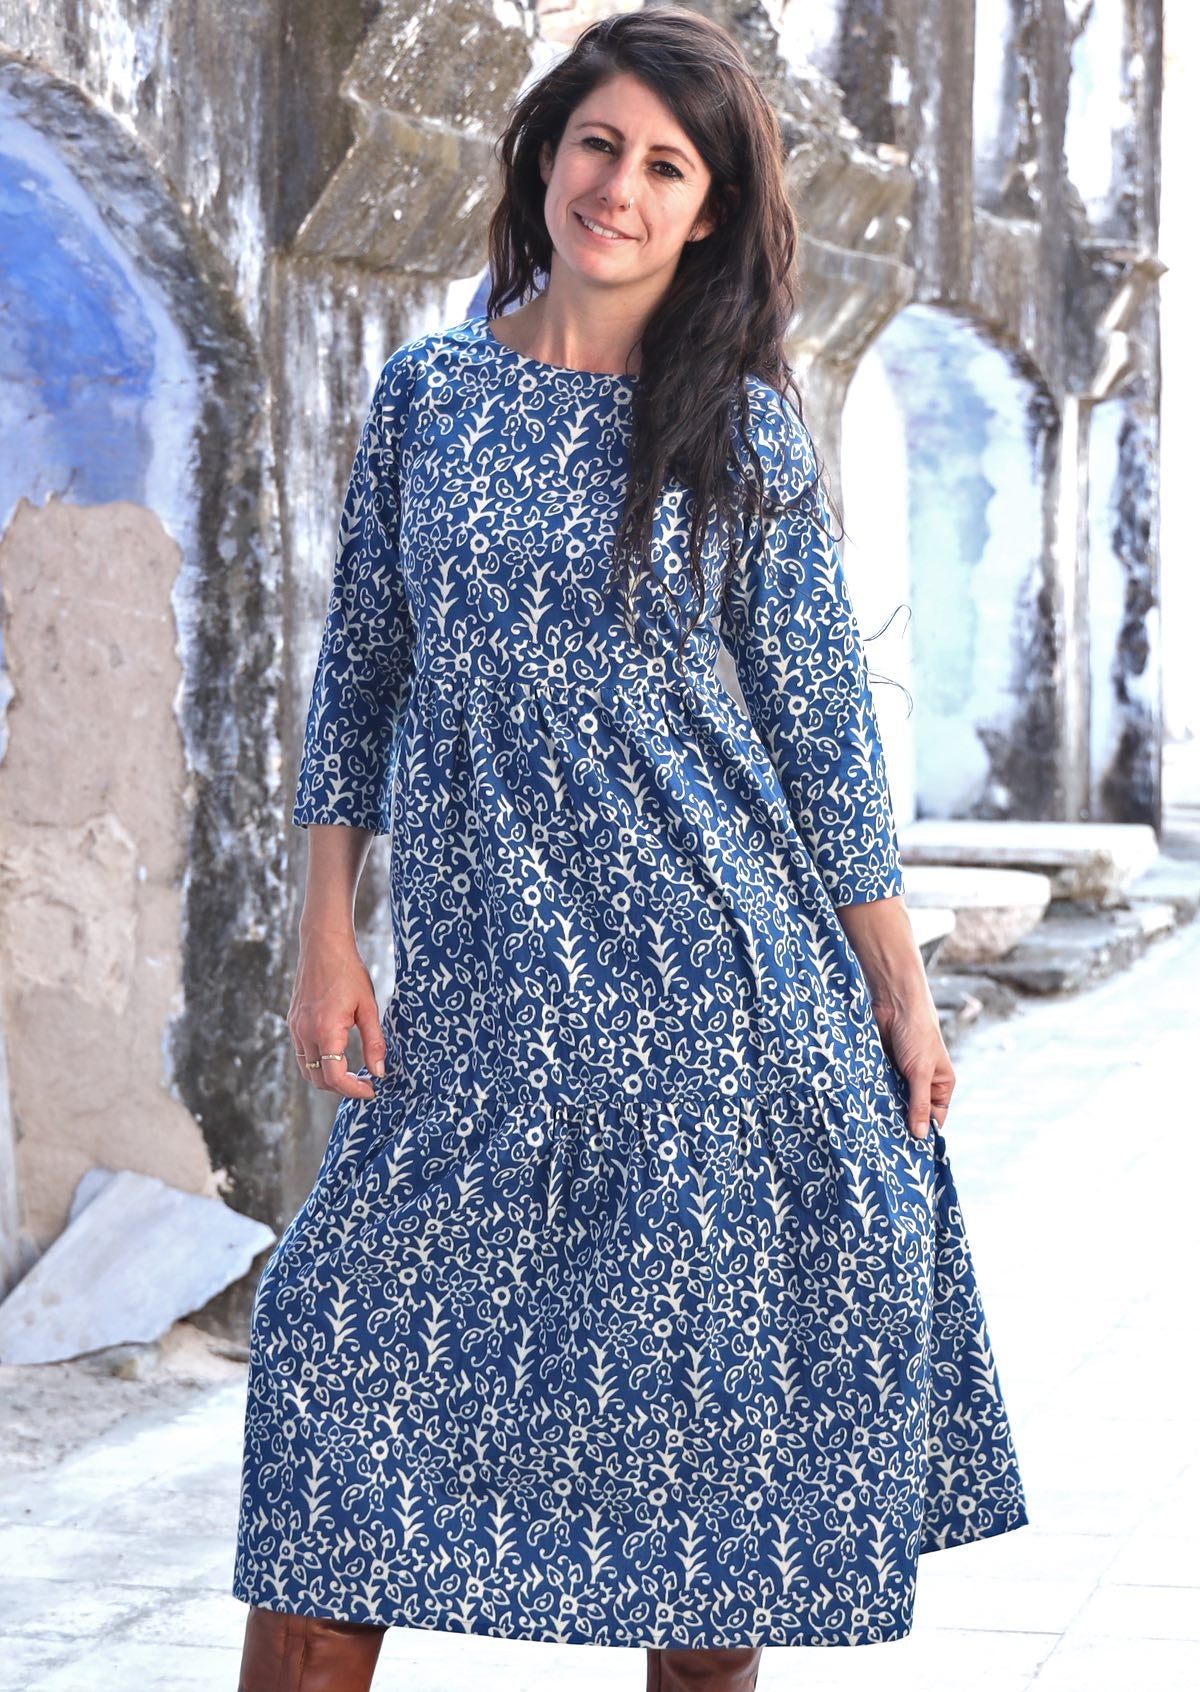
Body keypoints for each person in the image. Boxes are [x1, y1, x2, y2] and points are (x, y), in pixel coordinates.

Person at [231, 9, 1028, 1689]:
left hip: (719, 1025)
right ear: (543, 156)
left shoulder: (736, 433)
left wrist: (902, 994)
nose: (622, 185)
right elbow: (363, 667)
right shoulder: (433, 394)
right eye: (599, 144)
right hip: (483, 1022)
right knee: (327, 1455)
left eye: (668, 164)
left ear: (711, 209)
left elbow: (824, 739)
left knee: (713, 1566)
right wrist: (324, 931)